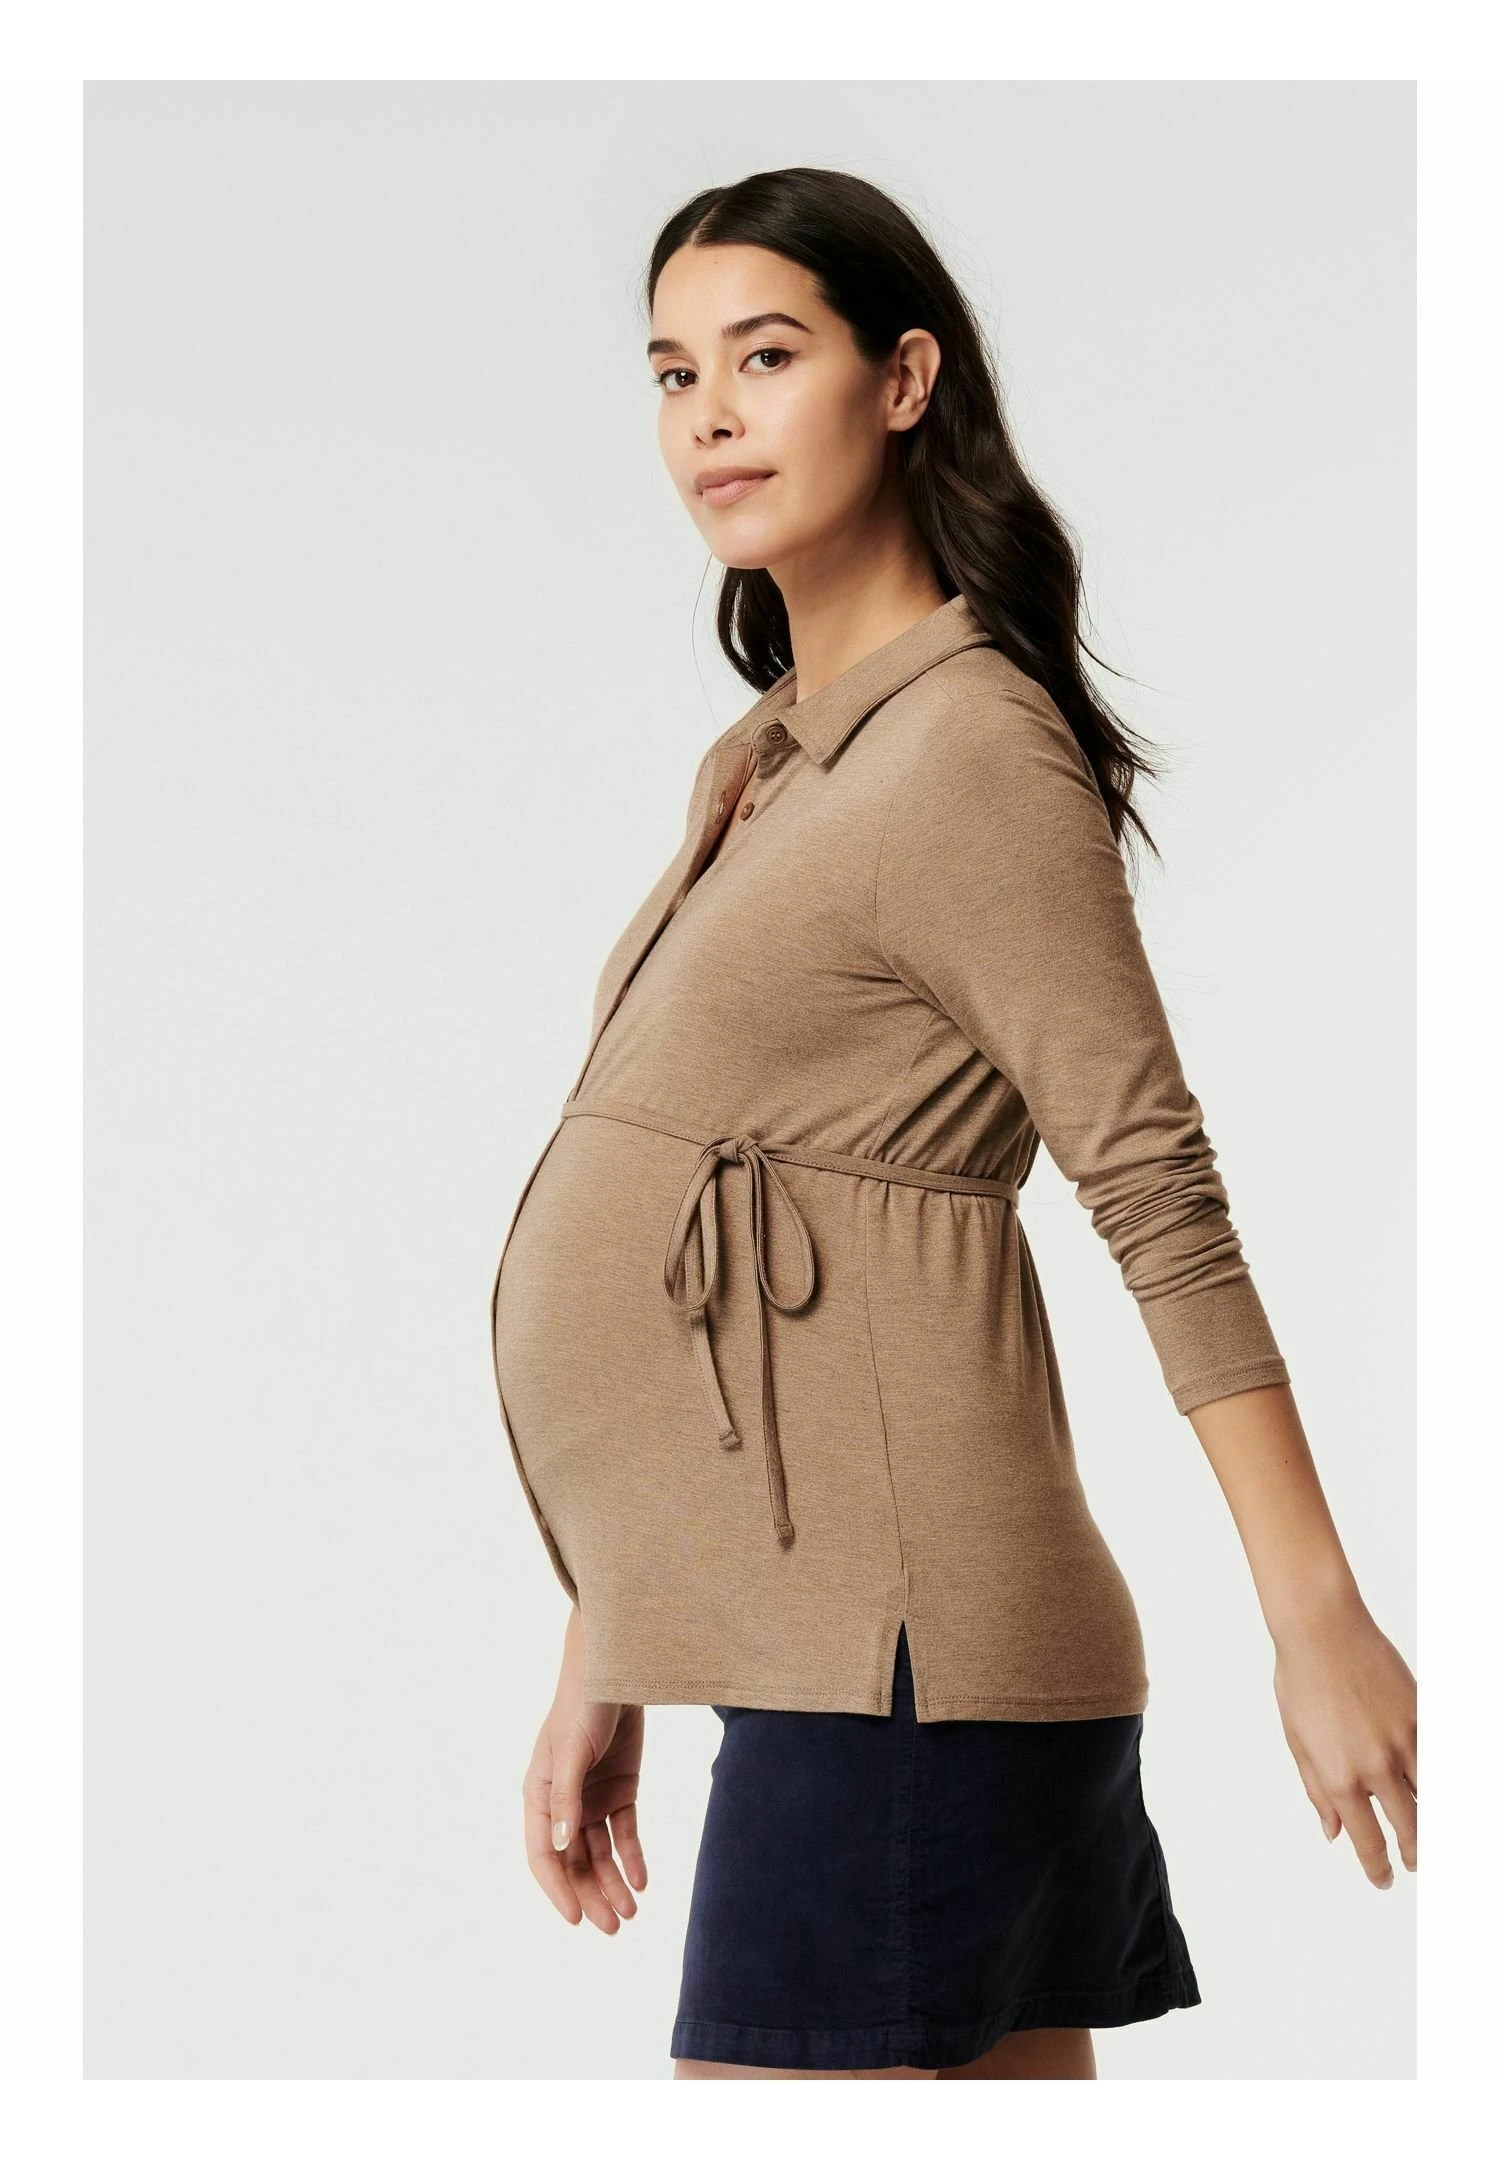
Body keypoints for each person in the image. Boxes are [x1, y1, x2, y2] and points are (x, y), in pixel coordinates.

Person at [489, 166, 1416, 2081]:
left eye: (766, 356)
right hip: (834, 1660)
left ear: (903, 380)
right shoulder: (769, 759)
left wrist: (1314, 1614)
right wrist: (619, 1640)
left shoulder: (966, 748)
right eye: (672, 374)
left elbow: (1152, 1184)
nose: (709, 416)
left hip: (902, 1675)